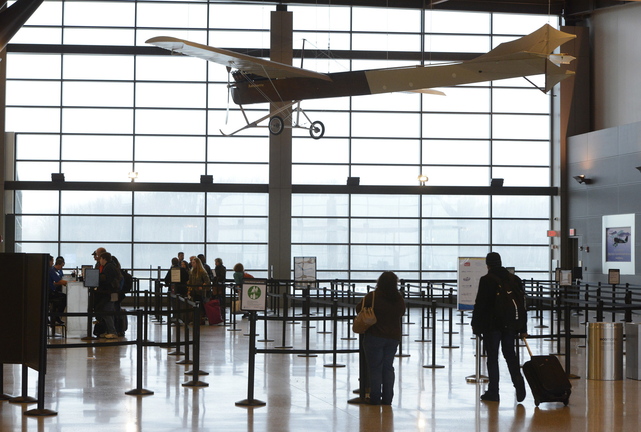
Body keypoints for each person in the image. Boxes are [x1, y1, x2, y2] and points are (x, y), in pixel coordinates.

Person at [471, 252, 527, 403]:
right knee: (510, 355)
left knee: (493, 358)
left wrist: (475, 325)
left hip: (492, 325)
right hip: (510, 325)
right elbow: (521, 304)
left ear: (488, 264)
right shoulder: (514, 279)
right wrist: (523, 328)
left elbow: (480, 304)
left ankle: (493, 392)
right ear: (501, 262)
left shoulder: (486, 280)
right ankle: (519, 384)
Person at [356, 271, 405, 406]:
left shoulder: (372, 297)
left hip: (374, 336)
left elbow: (358, 309)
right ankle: (388, 398)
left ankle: (375, 398)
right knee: (388, 367)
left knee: (375, 368)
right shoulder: (398, 298)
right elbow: (402, 313)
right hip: (393, 337)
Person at [95, 252, 122, 339]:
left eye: (101, 259)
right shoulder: (111, 266)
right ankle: (109, 331)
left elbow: (106, 280)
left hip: (109, 293)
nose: (100, 261)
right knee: (107, 312)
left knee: (107, 312)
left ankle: (112, 331)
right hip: (111, 293)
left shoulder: (108, 267)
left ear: (104, 259)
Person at [188, 256, 211, 324]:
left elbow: (208, 282)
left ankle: (201, 319)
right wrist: (189, 290)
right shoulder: (191, 271)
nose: (192, 264)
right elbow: (190, 281)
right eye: (192, 262)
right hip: (194, 291)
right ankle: (195, 319)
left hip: (200, 292)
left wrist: (203, 287)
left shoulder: (202, 272)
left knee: (200, 306)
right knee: (194, 305)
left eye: (194, 263)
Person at [48, 256, 68, 325]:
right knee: (64, 298)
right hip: (51, 293)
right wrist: (71, 283)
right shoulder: (51, 270)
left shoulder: (49, 269)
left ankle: (56, 315)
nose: (53, 263)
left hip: (49, 292)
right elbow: (59, 281)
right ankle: (57, 315)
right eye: (52, 261)